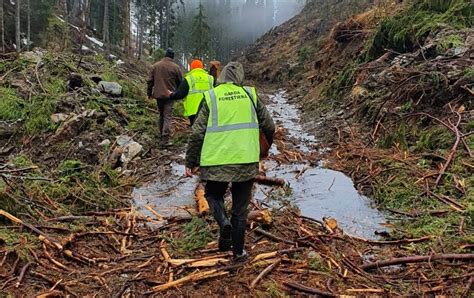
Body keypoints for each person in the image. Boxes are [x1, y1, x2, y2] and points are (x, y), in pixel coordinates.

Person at [185, 62, 275, 262]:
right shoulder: (251, 95)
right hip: (246, 159)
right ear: (240, 78)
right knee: (240, 210)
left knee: (212, 195)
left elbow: (197, 133)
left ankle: (223, 222)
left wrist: (191, 160)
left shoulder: (211, 96)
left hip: (216, 160)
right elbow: (269, 125)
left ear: (222, 77)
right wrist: (266, 146)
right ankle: (239, 253)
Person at [147, 48, 183, 147]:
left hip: (158, 95)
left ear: (165, 55)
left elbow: (150, 81)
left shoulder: (155, 66)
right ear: (172, 57)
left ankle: (161, 135)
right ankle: (165, 139)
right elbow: (181, 82)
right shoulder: (176, 68)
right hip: (170, 96)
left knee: (161, 115)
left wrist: (149, 93)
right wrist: (178, 94)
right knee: (167, 116)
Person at [168, 59, 214, 126]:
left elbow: (180, 94)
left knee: (196, 130)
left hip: (193, 110)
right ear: (202, 67)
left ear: (192, 68)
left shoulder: (189, 78)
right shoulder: (210, 78)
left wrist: (171, 95)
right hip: (208, 108)